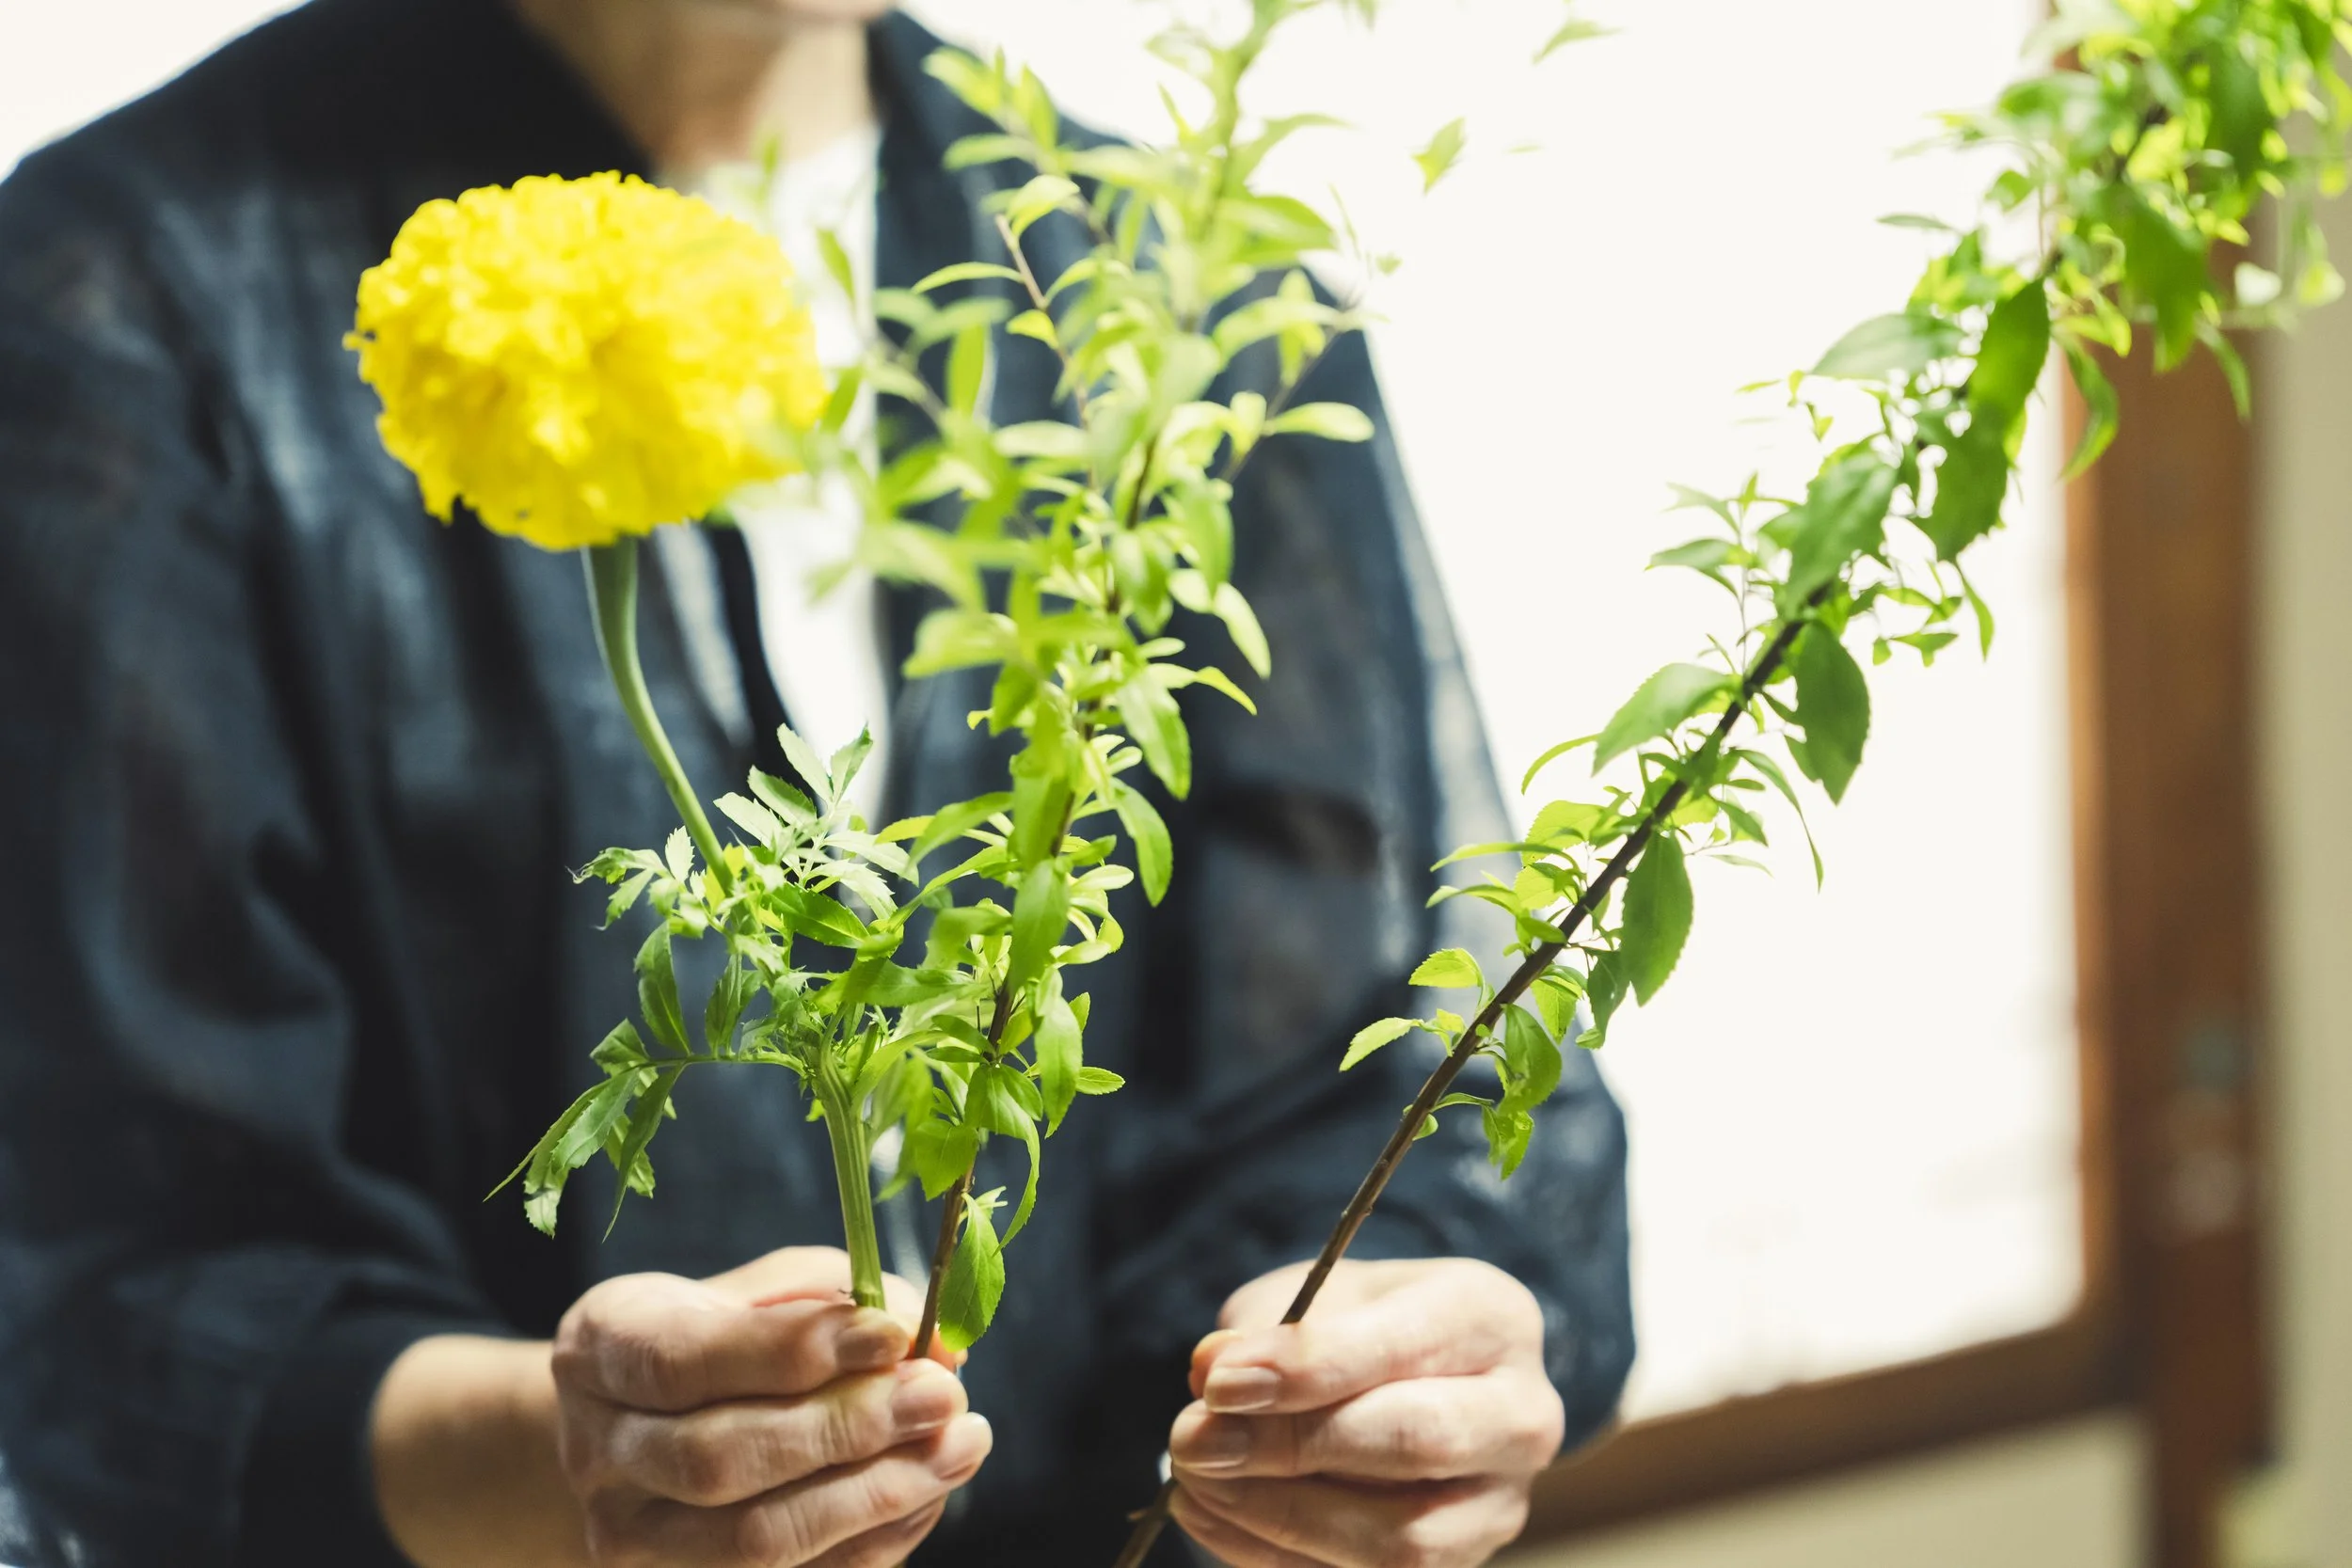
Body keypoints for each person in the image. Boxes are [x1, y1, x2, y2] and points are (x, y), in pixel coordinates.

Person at [0, 1, 1635, 1564]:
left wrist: (1388, 1354)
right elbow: (112, 1294)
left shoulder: (1182, 300)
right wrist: (578, 1464)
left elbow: (1383, 1075)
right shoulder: (122, 302)